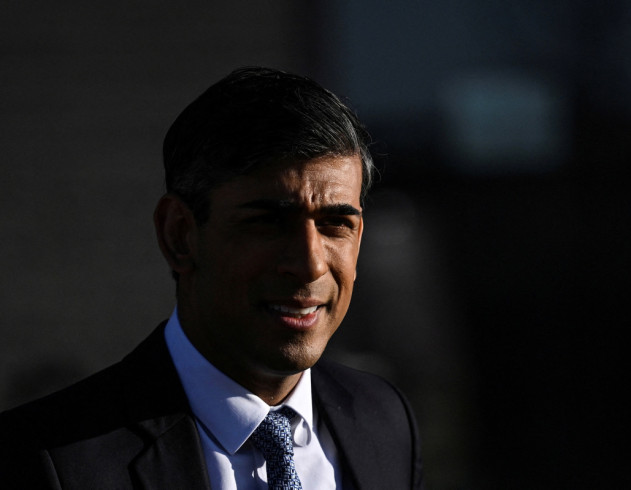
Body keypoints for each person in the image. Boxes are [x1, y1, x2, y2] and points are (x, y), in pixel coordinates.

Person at [0, 67, 424, 489]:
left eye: (335, 224)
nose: (310, 265)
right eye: (268, 223)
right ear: (180, 235)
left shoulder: (384, 422)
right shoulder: (47, 459)